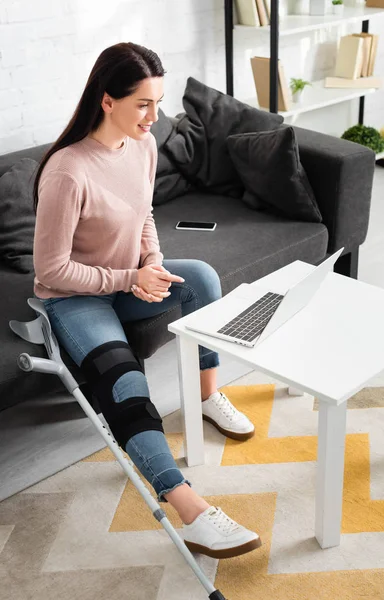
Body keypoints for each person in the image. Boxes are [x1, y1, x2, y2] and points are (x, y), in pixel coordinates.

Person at [32, 42, 260, 559]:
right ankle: (192, 512)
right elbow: (51, 270)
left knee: (200, 277)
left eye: (158, 103)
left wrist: (152, 265)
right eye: (143, 104)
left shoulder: (143, 145)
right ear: (107, 101)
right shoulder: (68, 171)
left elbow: (144, 215)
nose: (156, 117)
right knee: (128, 384)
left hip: (126, 280)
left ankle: (205, 395)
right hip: (73, 298)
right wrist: (128, 278)